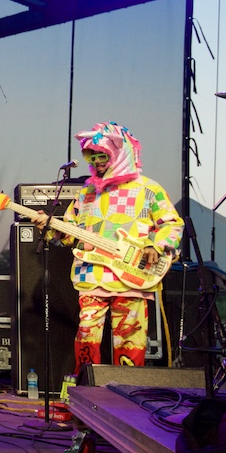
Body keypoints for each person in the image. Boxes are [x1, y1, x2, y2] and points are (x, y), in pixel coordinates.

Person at [35, 122, 183, 372]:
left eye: (102, 155)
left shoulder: (148, 189)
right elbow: (71, 233)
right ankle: (86, 390)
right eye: (91, 156)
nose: (96, 161)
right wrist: (50, 227)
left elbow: (172, 224)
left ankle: (127, 393)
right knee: (86, 336)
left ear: (120, 153)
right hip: (92, 275)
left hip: (133, 275)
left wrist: (156, 246)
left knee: (129, 339)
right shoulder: (86, 193)